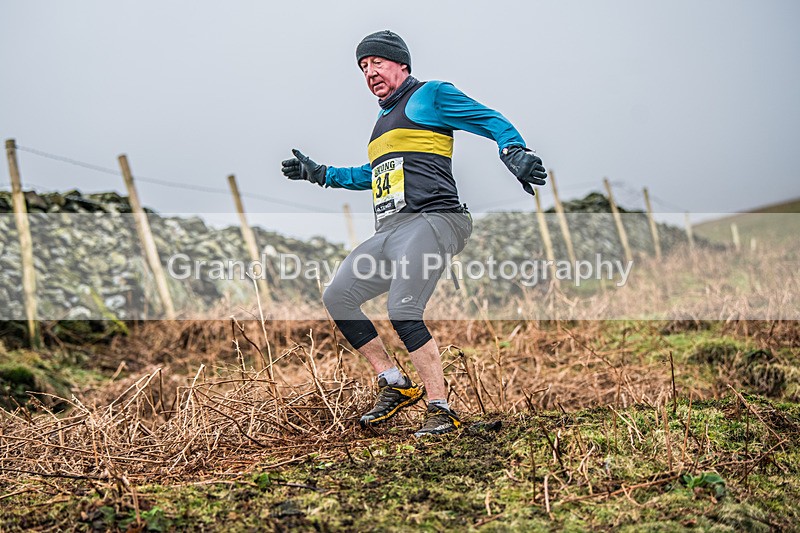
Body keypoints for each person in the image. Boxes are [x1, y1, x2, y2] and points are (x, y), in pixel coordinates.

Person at [281, 30, 546, 436]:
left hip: (435, 219)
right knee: (338, 295)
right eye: (363, 67)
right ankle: (394, 382)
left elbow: (489, 118)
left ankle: (441, 407)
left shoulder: (431, 94)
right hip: (390, 229)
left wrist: (513, 150)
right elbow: (374, 175)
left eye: (377, 62)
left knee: (403, 309)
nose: (370, 72)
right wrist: (321, 175)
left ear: (402, 64)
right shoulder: (381, 123)